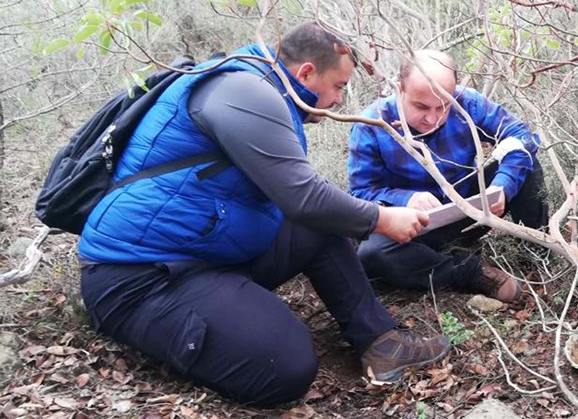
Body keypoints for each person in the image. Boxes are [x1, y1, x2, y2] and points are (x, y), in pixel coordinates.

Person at [77, 23, 451, 406]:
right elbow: (301, 196)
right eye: (338, 86)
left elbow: (305, 202)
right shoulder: (242, 92)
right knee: (284, 369)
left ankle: (379, 341)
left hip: (207, 254)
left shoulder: (259, 86)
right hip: (140, 278)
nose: (339, 100)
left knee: (319, 225)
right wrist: (382, 219)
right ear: (305, 72)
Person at [348, 50, 548, 304]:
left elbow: (521, 136)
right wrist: (405, 199)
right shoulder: (370, 125)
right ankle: (469, 272)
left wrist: (502, 186)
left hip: (471, 209)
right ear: (399, 90)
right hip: (413, 227)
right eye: (421, 106)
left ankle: (538, 251)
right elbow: (361, 193)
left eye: (443, 106)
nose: (432, 118)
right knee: (373, 253)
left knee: (524, 163)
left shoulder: (467, 102)